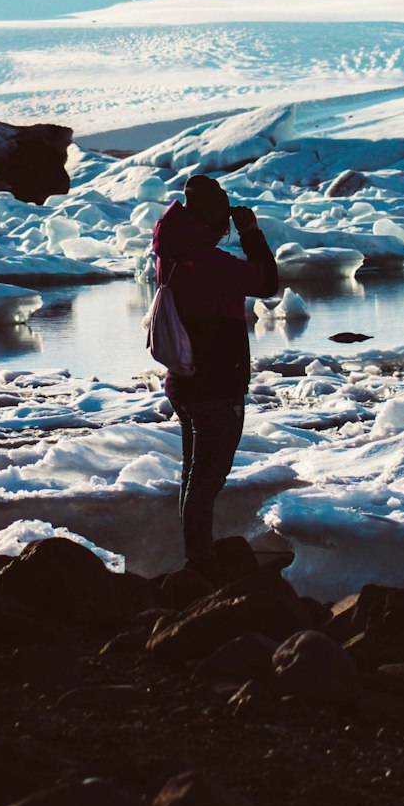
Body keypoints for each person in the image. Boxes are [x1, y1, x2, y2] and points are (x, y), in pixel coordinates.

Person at [152, 173, 278, 579]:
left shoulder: (169, 253)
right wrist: (251, 233)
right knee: (207, 479)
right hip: (215, 386)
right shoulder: (207, 260)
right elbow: (267, 282)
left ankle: (197, 558)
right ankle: (201, 562)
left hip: (185, 382)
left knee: (194, 476)